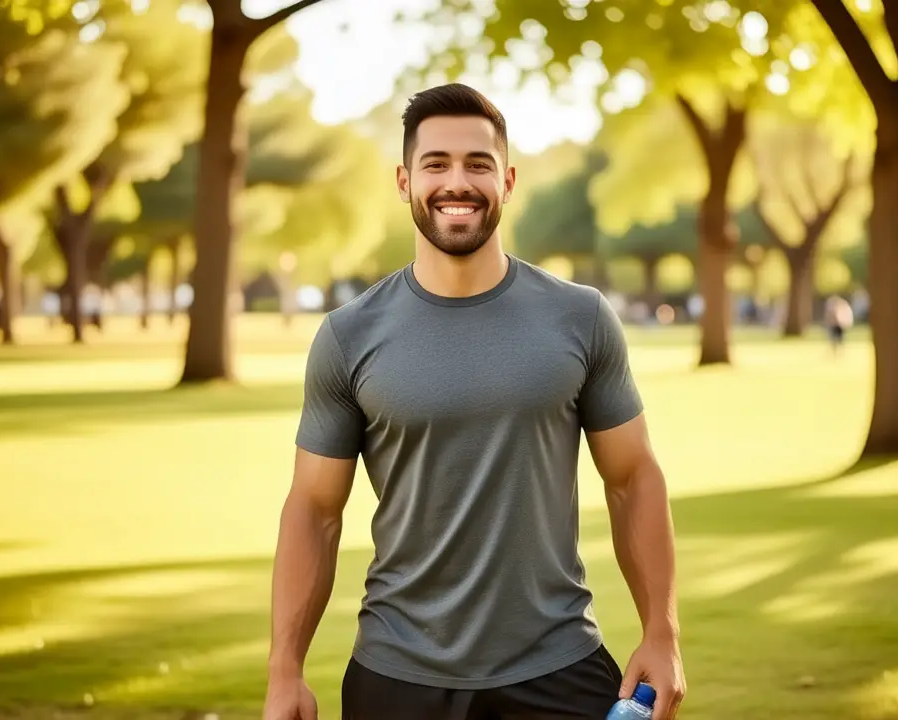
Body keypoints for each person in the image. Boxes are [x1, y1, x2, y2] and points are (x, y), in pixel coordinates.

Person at [262, 84, 686, 720]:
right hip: (395, 679)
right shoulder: (347, 336)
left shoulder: (581, 318)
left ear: (508, 180)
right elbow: (315, 511)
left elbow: (632, 478)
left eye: (477, 164)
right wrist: (284, 671)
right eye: (436, 164)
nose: (456, 182)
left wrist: (662, 631)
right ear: (404, 181)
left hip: (558, 670)